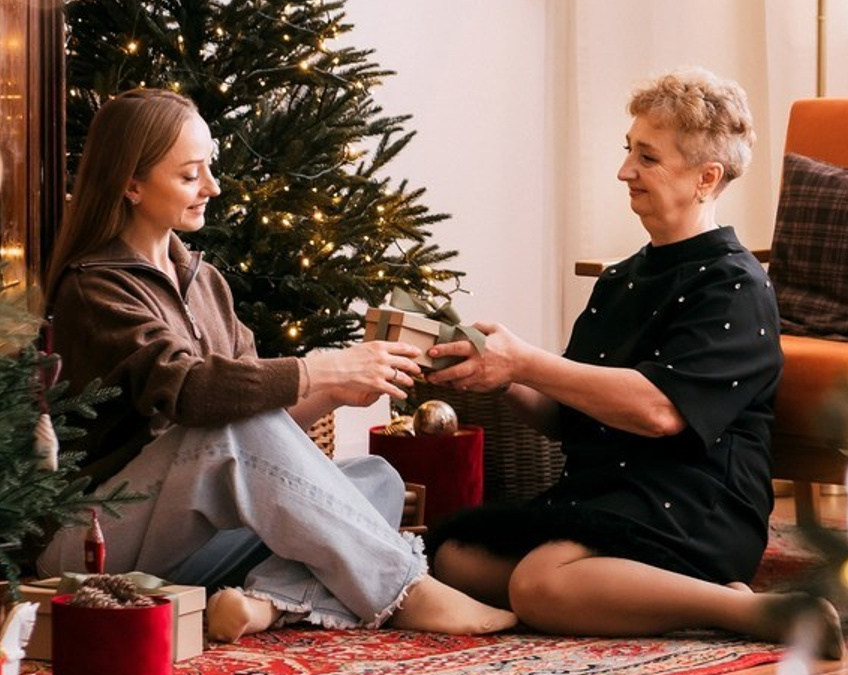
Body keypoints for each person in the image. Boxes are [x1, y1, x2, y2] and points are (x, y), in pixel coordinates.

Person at [37, 88, 516, 643]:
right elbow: (193, 392)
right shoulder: (94, 287)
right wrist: (325, 370)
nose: (212, 186)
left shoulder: (203, 281)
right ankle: (406, 589)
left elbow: (259, 424)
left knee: (375, 480)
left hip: (187, 549)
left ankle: (264, 603)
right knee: (230, 427)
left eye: (209, 167)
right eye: (190, 175)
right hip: (97, 542)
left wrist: (336, 393)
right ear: (132, 185)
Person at [424, 68, 844, 659]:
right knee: (454, 557)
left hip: (695, 505)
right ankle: (620, 593)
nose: (625, 171)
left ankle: (747, 609)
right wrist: (502, 375)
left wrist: (527, 360)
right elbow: (565, 414)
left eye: (647, 157)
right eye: (629, 151)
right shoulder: (620, 279)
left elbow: (659, 412)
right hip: (605, 493)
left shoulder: (735, 286)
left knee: (538, 583)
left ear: (706, 178)